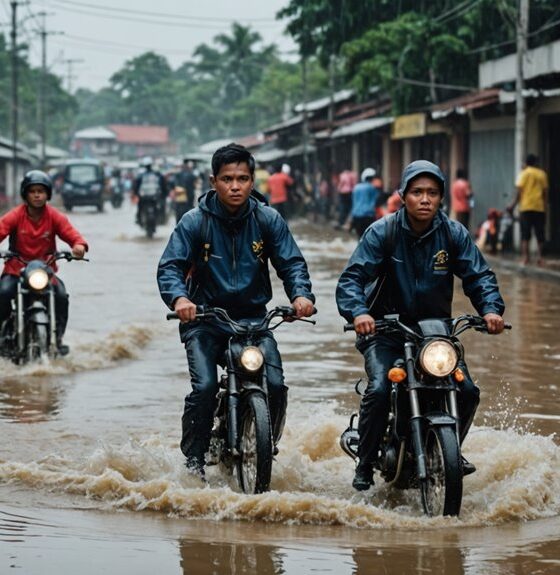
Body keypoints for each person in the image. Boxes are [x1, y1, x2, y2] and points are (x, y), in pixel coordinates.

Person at [336, 159, 505, 491]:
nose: (424, 199)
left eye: (432, 192)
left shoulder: (454, 233)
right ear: (403, 195)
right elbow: (352, 279)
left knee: (467, 390)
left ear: (442, 197)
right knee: (381, 388)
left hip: (435, 333)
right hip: (384, 330)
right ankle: (366, 461)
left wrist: (491, 310)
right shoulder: (382, 232)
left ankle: (449, 449)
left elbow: (479, 276)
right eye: (417, 192)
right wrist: (359, 313)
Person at [157, 143, 315, 479]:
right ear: (213, 181)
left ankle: (264, 443)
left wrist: (301, 295)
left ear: (252, 181)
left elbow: (291, 263)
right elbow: (170, 267)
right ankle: (194, 459)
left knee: (275, 384)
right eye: (227, 178)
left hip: (255, 322)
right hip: (205, 320)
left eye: (242, 178)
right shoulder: (193, 222)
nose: (235, 186)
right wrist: (180, 300)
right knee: (204, 388)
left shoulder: (268, 219)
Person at [0, 170, 88, 354]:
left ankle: (58, 338)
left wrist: (79, 246)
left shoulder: (54, 216)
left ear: (48, 193)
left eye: (41, 191)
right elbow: (1, 229)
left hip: (45, 272)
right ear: (26, 193)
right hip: (16, 270)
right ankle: (2, 336)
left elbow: (71, 234)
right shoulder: (16, 215)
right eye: (33, 191)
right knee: (3, 293)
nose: (37, 195)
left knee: (62, 296)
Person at [510, 153, 549, 266]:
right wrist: (545, 207)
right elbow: (545, 193)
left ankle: (525, 258)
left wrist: (512, 205)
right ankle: (540, 258)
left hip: (526, 207)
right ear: (536, 162)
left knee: (525, 234)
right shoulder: (542, 174)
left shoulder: (524, 173)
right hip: (539, 207)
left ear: (526, 162)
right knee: (540, 233)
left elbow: (519, 192)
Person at [133, 156, 167, 225]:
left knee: (157, 207)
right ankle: (139, 218)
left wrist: (136, 193)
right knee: (140, 207)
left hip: (148, 197)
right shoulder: (156, 174)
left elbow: (136, 186)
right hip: (150, 197)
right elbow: (163, 185)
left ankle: (139, 219)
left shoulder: (142, 175)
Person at [350, 168, 379, 238]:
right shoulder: (372, 188)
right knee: (368, 238)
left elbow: (353, 202)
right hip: (368, 216)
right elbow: (375, 201)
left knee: (360, 238)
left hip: (356, 216)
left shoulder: (356, 187)